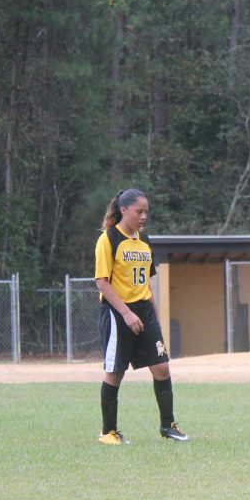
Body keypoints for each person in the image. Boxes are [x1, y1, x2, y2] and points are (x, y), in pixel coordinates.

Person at [94, 189, 189, 445]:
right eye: (139, 211)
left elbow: (146, 283)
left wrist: (155, 316)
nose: (143, 216)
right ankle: (108, 432)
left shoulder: (144, 240)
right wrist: (125, 313)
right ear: (123, 210)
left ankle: (168, 426)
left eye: (146, 211)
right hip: (117, 312)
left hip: (143, 311)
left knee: (161, 367)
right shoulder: (109, 239)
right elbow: (102, 282)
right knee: (115, 373)